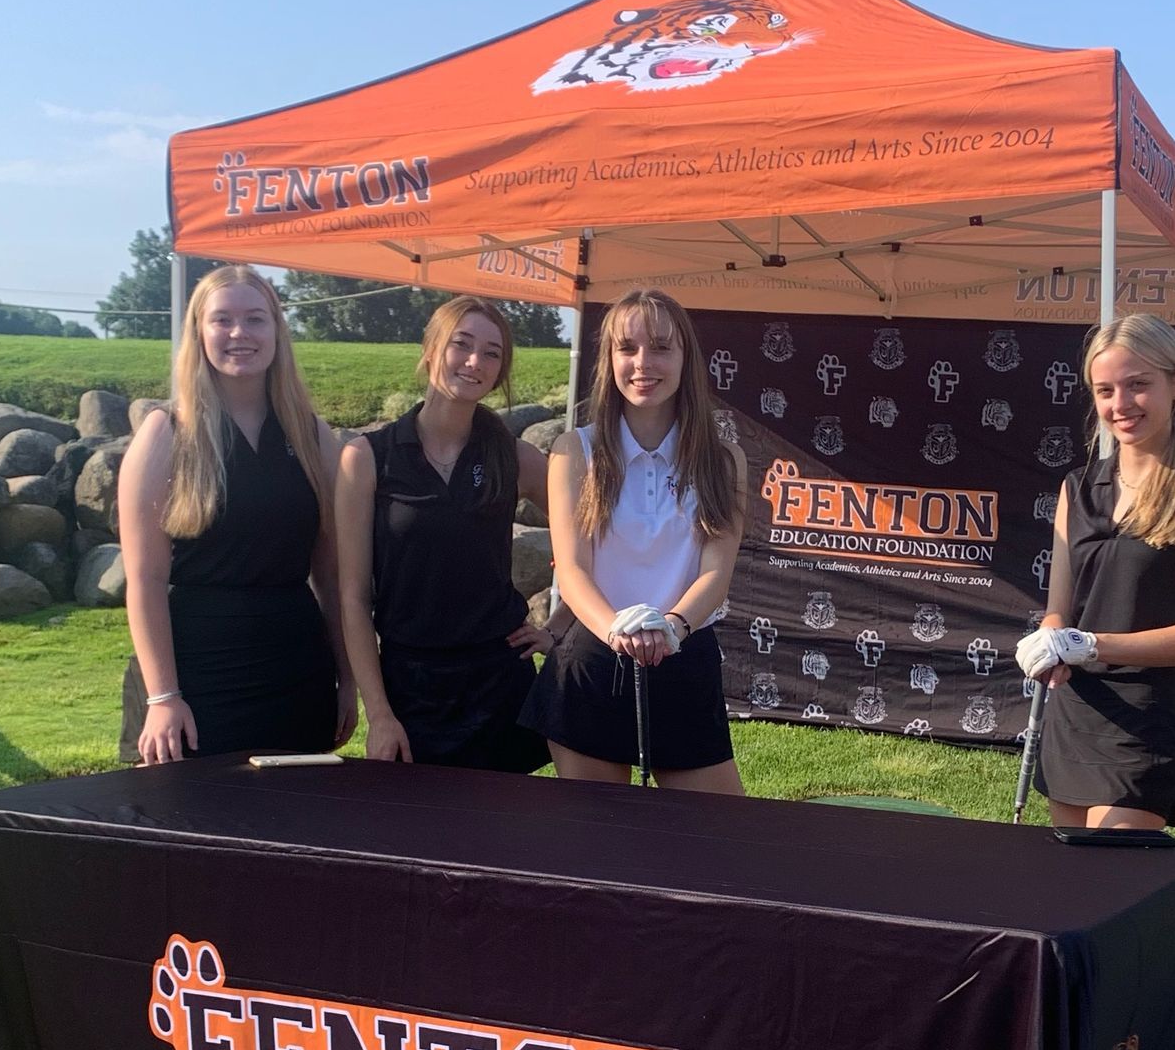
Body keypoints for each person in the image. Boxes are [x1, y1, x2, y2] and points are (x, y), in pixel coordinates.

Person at [1015, 315, 1175, 829]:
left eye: (1138, 384)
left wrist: (1089, 645)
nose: (1120, 404)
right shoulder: (1077, 487)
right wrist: (1050, 641)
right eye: (1105, 390)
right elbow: (1058, 610)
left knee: (1111, 867)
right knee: (1070, 872)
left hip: (1148, 719)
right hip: (1075, 711)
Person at [117, 265, 354, 765]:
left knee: (300, 810)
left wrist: (348, 679)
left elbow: (332, 577)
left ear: (277, 331)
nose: (239, 333)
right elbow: (144, 581)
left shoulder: (313, 436)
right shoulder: (166, 434)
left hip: (297, 667)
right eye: (222, 320)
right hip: (196, 675)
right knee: (189, 810)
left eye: (255, 319)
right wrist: (163, 697)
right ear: (199, 332)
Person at [521, 289, 746, 792]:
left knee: (718, 831)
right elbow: (572, 570)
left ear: (686, 359)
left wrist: (672, 628)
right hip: (593, 661)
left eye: (661, 347)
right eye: (627, 348)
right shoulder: (573, 451)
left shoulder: (723, 459)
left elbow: (716, 572)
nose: (643, 363)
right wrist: (617, 631)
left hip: (684, 653)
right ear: (609, 359)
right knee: (601, 834)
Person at [334, 295, 560, 772]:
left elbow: (591, 535)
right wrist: (379, 713)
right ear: (431, 348)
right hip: (410, 691)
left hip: (500, 686)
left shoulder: (514, 456)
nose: (475, 361)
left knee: (507, 820)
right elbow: (353, 598)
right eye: (462, 344)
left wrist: (558, 628)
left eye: (492, 353)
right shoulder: (368, 458)